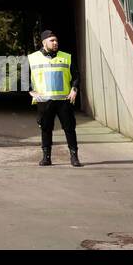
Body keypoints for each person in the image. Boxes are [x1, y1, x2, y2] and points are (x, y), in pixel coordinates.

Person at [28, 30, 81, 167]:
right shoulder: (32, 58)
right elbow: (25, 78)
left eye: (56, 40)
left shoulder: (66, 57)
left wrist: (74, 89)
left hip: (64, 100)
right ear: (44, 42)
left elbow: (75, 76)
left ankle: (74, 157)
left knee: (69, 129)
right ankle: (46, 157)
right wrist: (30, 91)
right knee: (46, 129)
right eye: (52, 40)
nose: (55, 43)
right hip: (44, 101)